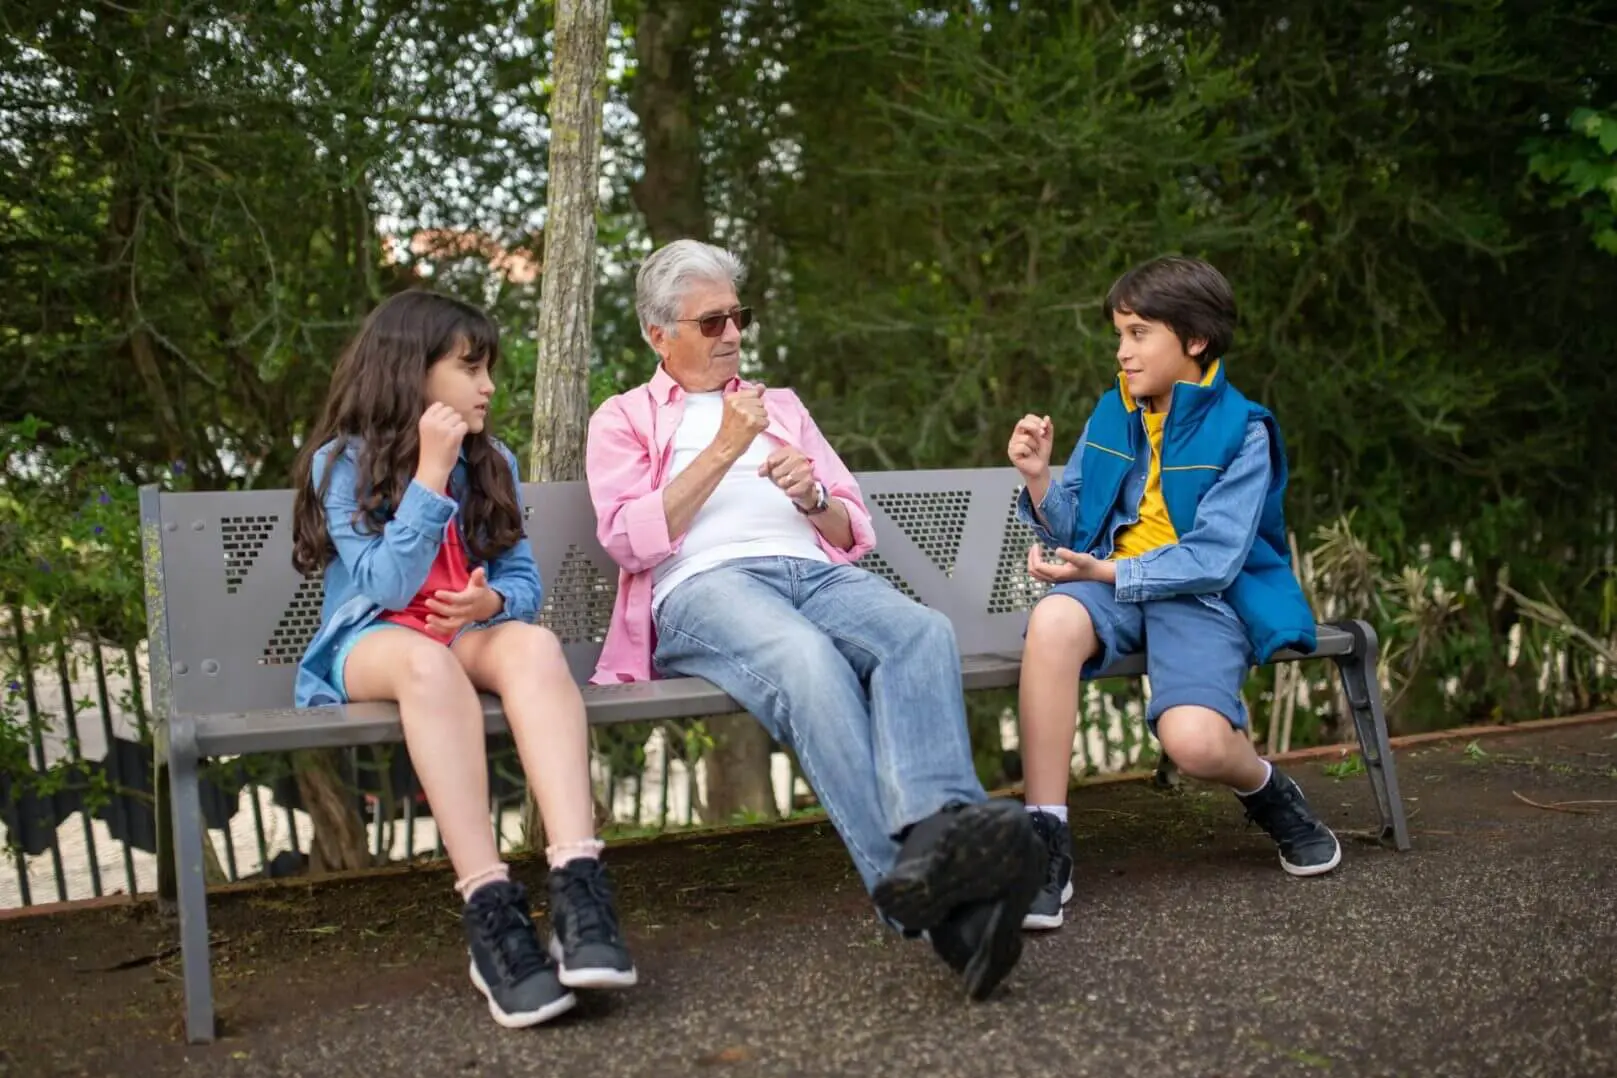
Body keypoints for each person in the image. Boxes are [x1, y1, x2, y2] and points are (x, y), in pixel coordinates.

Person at [585, 239, 1045, 1000]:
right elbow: (628, 541)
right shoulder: (624, 418)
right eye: (711, 322)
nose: (733, 333)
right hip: (703, 588)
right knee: (805, 660)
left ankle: (936, 840)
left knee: (918, 631)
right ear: (657, 334)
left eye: (739, 316)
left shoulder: (784, 407)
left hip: (811, 570)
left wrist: (811, 498)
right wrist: (724, 447)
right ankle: (918, 893)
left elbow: (849, 530)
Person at [290, 289, 636, 1028]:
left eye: (489, 370)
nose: (487, 386)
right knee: (424, 662)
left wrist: (489, 606)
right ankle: (489, 909)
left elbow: (524, 584)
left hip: (460, 633)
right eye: (469, 368)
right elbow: (385, 584)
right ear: (411, 371)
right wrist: (429, 473)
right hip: (372, 643)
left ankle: (578, 886)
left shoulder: (493, 459)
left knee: (534, 646)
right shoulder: (341, 463)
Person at [1007, 255, 1341, 932]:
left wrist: (1106, 573)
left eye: (1137, 334)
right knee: (1051, 623)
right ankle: (1045, 839)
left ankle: (1267, 790)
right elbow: (1079, 522)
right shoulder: (1113, 412)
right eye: (1118, 334)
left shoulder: (1244, 429)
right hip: (1115, 589)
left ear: (1193, 340)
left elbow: (1215, 557)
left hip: (1199, 598)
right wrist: (1040, 479)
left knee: (1194, 743)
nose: (1121, 352)